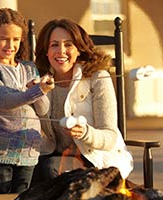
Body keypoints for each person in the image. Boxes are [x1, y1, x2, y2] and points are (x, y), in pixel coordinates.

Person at [30, 18, 133, 186]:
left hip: (95, 158)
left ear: (79, 50)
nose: (61, 51)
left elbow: (110, 137)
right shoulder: (40, 83)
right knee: (28, 172)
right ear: (46, 51)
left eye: (68, 44)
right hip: (55, 155)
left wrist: (85, 133)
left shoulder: (97, 78)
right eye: (54, 45)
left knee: (50, 168)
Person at [0, 8, 54, 194]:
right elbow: (4, 99)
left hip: (30, 153)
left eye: (16, 39)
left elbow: (43, 110)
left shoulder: (28, 67)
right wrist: (36, 90)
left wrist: (40, 90)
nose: (10, 45)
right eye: (4, 38)